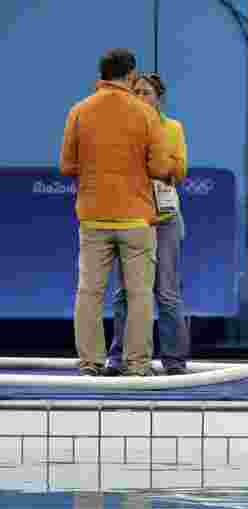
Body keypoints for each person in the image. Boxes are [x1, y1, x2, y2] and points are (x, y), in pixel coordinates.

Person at [59, 48, 175, 376]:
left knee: (89, 292)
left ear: (102, 74)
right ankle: (137, 366)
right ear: (129, 75)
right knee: (140, 295)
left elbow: (67, 166)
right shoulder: (146, 114)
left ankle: (90, 363)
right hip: (136, 218)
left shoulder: (78, 111)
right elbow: (159, 166)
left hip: (93, 217)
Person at [105, 72, 190, 376]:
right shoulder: (121, 129)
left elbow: (178, 170)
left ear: (159, 98)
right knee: (125, 291)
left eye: (146, 93)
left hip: (165, 219)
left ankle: (175, 362)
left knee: (166, 292)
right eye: (136, 92)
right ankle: (117, 358)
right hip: (132, 217)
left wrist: (155, 167)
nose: (140, 97)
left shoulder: (173, 128)